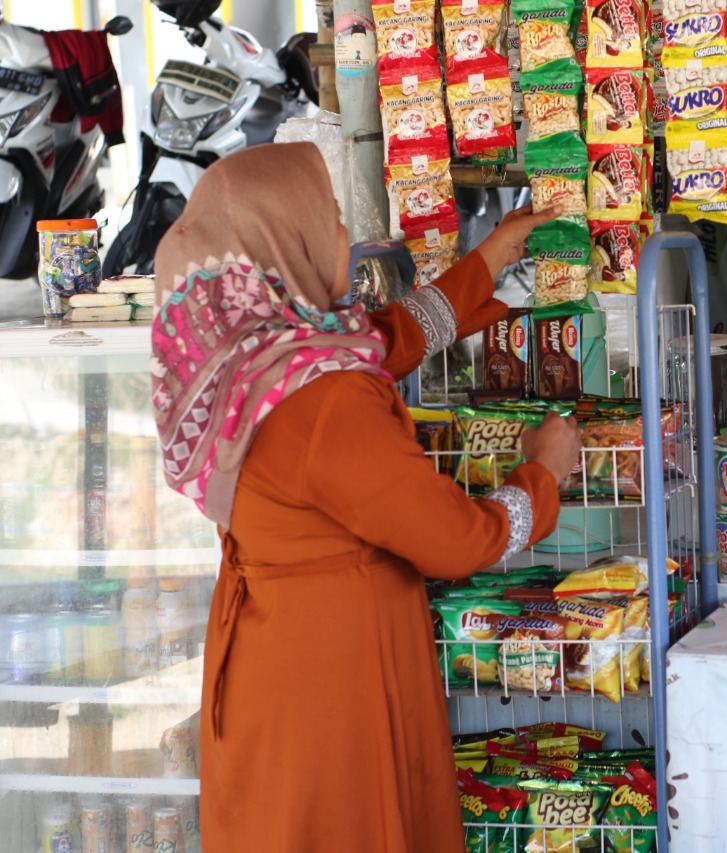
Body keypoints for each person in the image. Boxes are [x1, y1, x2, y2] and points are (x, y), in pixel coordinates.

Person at [151, 142, 581, 851]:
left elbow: (385, 339)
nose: (345, 237)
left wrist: (491, 260)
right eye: (329, 218)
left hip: (271, 656)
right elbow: (456, 540)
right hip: (335, 675)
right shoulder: (324, 398)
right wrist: (544, 471)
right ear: (282, 242)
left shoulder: (244, 356)